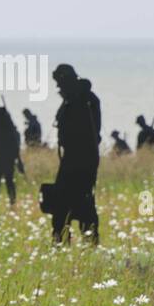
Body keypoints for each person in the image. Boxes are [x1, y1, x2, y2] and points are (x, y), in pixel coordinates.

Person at [45, 66, 100, 244]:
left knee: (78, 204)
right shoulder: (76, 99)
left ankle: (83, 242)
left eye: (60, 83)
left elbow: (87, 135)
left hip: (81, 162)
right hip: (74, 160)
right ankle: (65, 242)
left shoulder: (83, 101)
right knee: (66, 205)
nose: (59, 88)